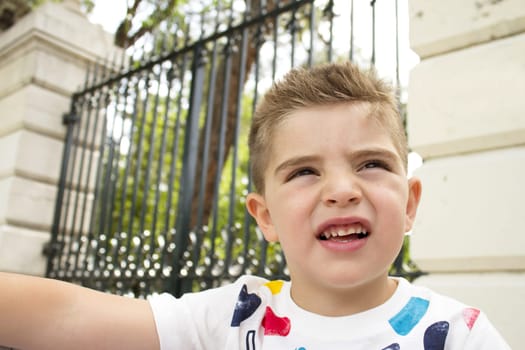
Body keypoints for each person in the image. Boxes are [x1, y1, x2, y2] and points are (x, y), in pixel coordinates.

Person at [0, 61, 510, 350]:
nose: (341, 189)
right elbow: (64, 317)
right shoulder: (232, 319)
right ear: (264, 216)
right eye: (304, 171)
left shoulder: (464, 335)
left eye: (371, 164)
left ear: (410, 202)